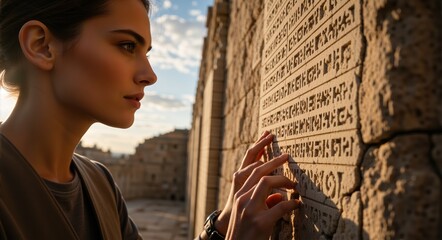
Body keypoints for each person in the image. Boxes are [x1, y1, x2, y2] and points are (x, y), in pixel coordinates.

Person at [0, 0, 301, 239]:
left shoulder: (99, 183)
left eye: (146, 52)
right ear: (41, 45)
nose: (150, 76)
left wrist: (221, 228)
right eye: (127, 46)